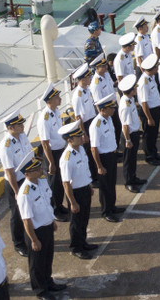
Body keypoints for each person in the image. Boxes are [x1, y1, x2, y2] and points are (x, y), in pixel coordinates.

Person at [15, 153, 67, 299]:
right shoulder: (24, 194)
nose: (40, 170)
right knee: (37, 263)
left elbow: (46, 204)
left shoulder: (42, 181)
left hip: (47, 226)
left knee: (47, 257)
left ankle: (48, 282)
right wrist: (33, 239)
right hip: (35, 231)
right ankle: (40, 290)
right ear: (27, 174)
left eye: (39, 167)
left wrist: (52, 221)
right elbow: (26, 220)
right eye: (36, 169)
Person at [59, 121, 96, 259]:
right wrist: (72, 202)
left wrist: (89, 185)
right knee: (76, 222)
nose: (81, 137)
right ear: (69, 140)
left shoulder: (80, 149)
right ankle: (76, 247)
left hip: (85, 188)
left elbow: (85, 171)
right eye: (78, 136)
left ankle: (83, 242)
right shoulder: (66, 159)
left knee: (84, 219)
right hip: (76, 193)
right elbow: (66, 183)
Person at [0, 110, 31, 257]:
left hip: (27, 178)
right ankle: (19, 244)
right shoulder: (5, 146)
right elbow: (10, 172)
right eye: (19, 125)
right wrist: (16, 191)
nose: (22, 126)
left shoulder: (22, 136)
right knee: (17, 214)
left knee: (29, 209)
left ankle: (28, 236)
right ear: (10, 128)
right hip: (15, 182)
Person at [36, 85, 69, 222]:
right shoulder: (44, 119)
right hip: (52, 154)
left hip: (60, 150)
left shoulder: (55, 112)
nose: (60, 99)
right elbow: (45, 143)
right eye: (57, 97)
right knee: (53, 185)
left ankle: (60, 205)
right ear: (49, 101)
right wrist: (50, 162)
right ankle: (54, 210)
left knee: (60, 182)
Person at [89, 95, 122, 223]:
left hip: (112, 155)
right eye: (111, 108)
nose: (113, 110)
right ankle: (106, 211)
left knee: (112, 182)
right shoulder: (96, 125)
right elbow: (94, 148)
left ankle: (112, 206)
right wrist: (99, 166)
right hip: (103, 158)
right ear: (103, 109)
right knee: (105, 186)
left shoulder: (108, 119)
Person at [118, 74, 147, 192]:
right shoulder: (125, 105)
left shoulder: (130, 99)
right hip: (128, 135)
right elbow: (125, 125)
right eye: (134, 88)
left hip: (134, 133)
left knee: (133, 158)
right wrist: (128, 140)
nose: (136, 89)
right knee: (128, 160)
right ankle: (128, 182)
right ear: (130, 91)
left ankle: (133, 177)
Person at [137, 54, 160, 165]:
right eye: (156, 67)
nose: (158, 69)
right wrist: (149, 118)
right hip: (148, 111)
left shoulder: (151, 77)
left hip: (155, 109)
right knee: (148, 135)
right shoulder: (143, 82)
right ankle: (149, 156)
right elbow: (143, 102)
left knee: (154, 134)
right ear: (152, 68)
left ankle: (154, 153)